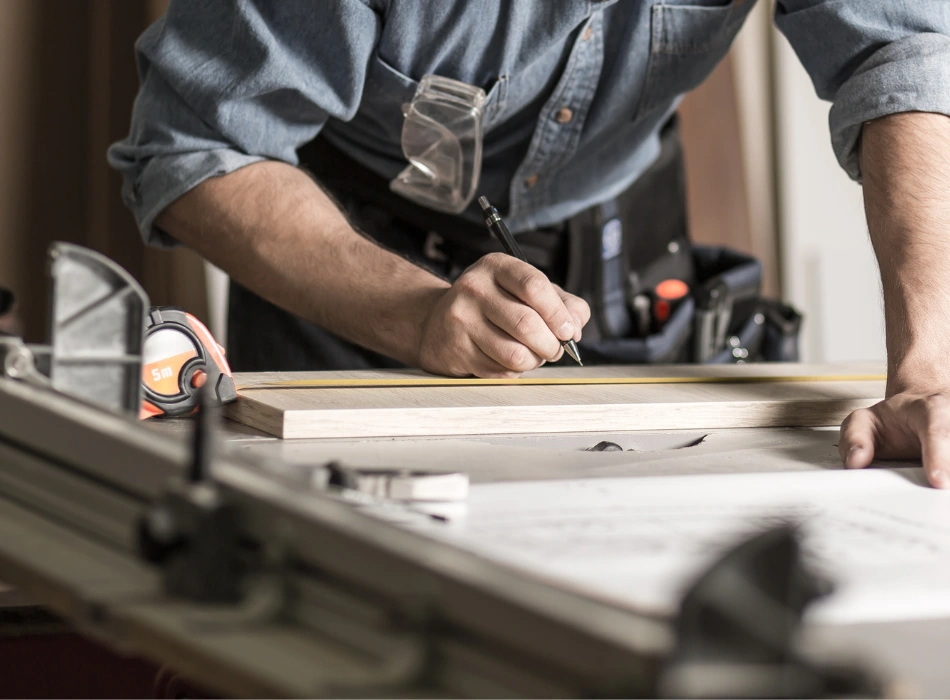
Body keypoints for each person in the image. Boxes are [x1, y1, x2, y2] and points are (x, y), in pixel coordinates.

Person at [110, 1, 950, 487]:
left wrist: (927, 373)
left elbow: (903, 55)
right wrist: (415, 314)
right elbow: (193, 150)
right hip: (349, 266)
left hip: (619, 238)